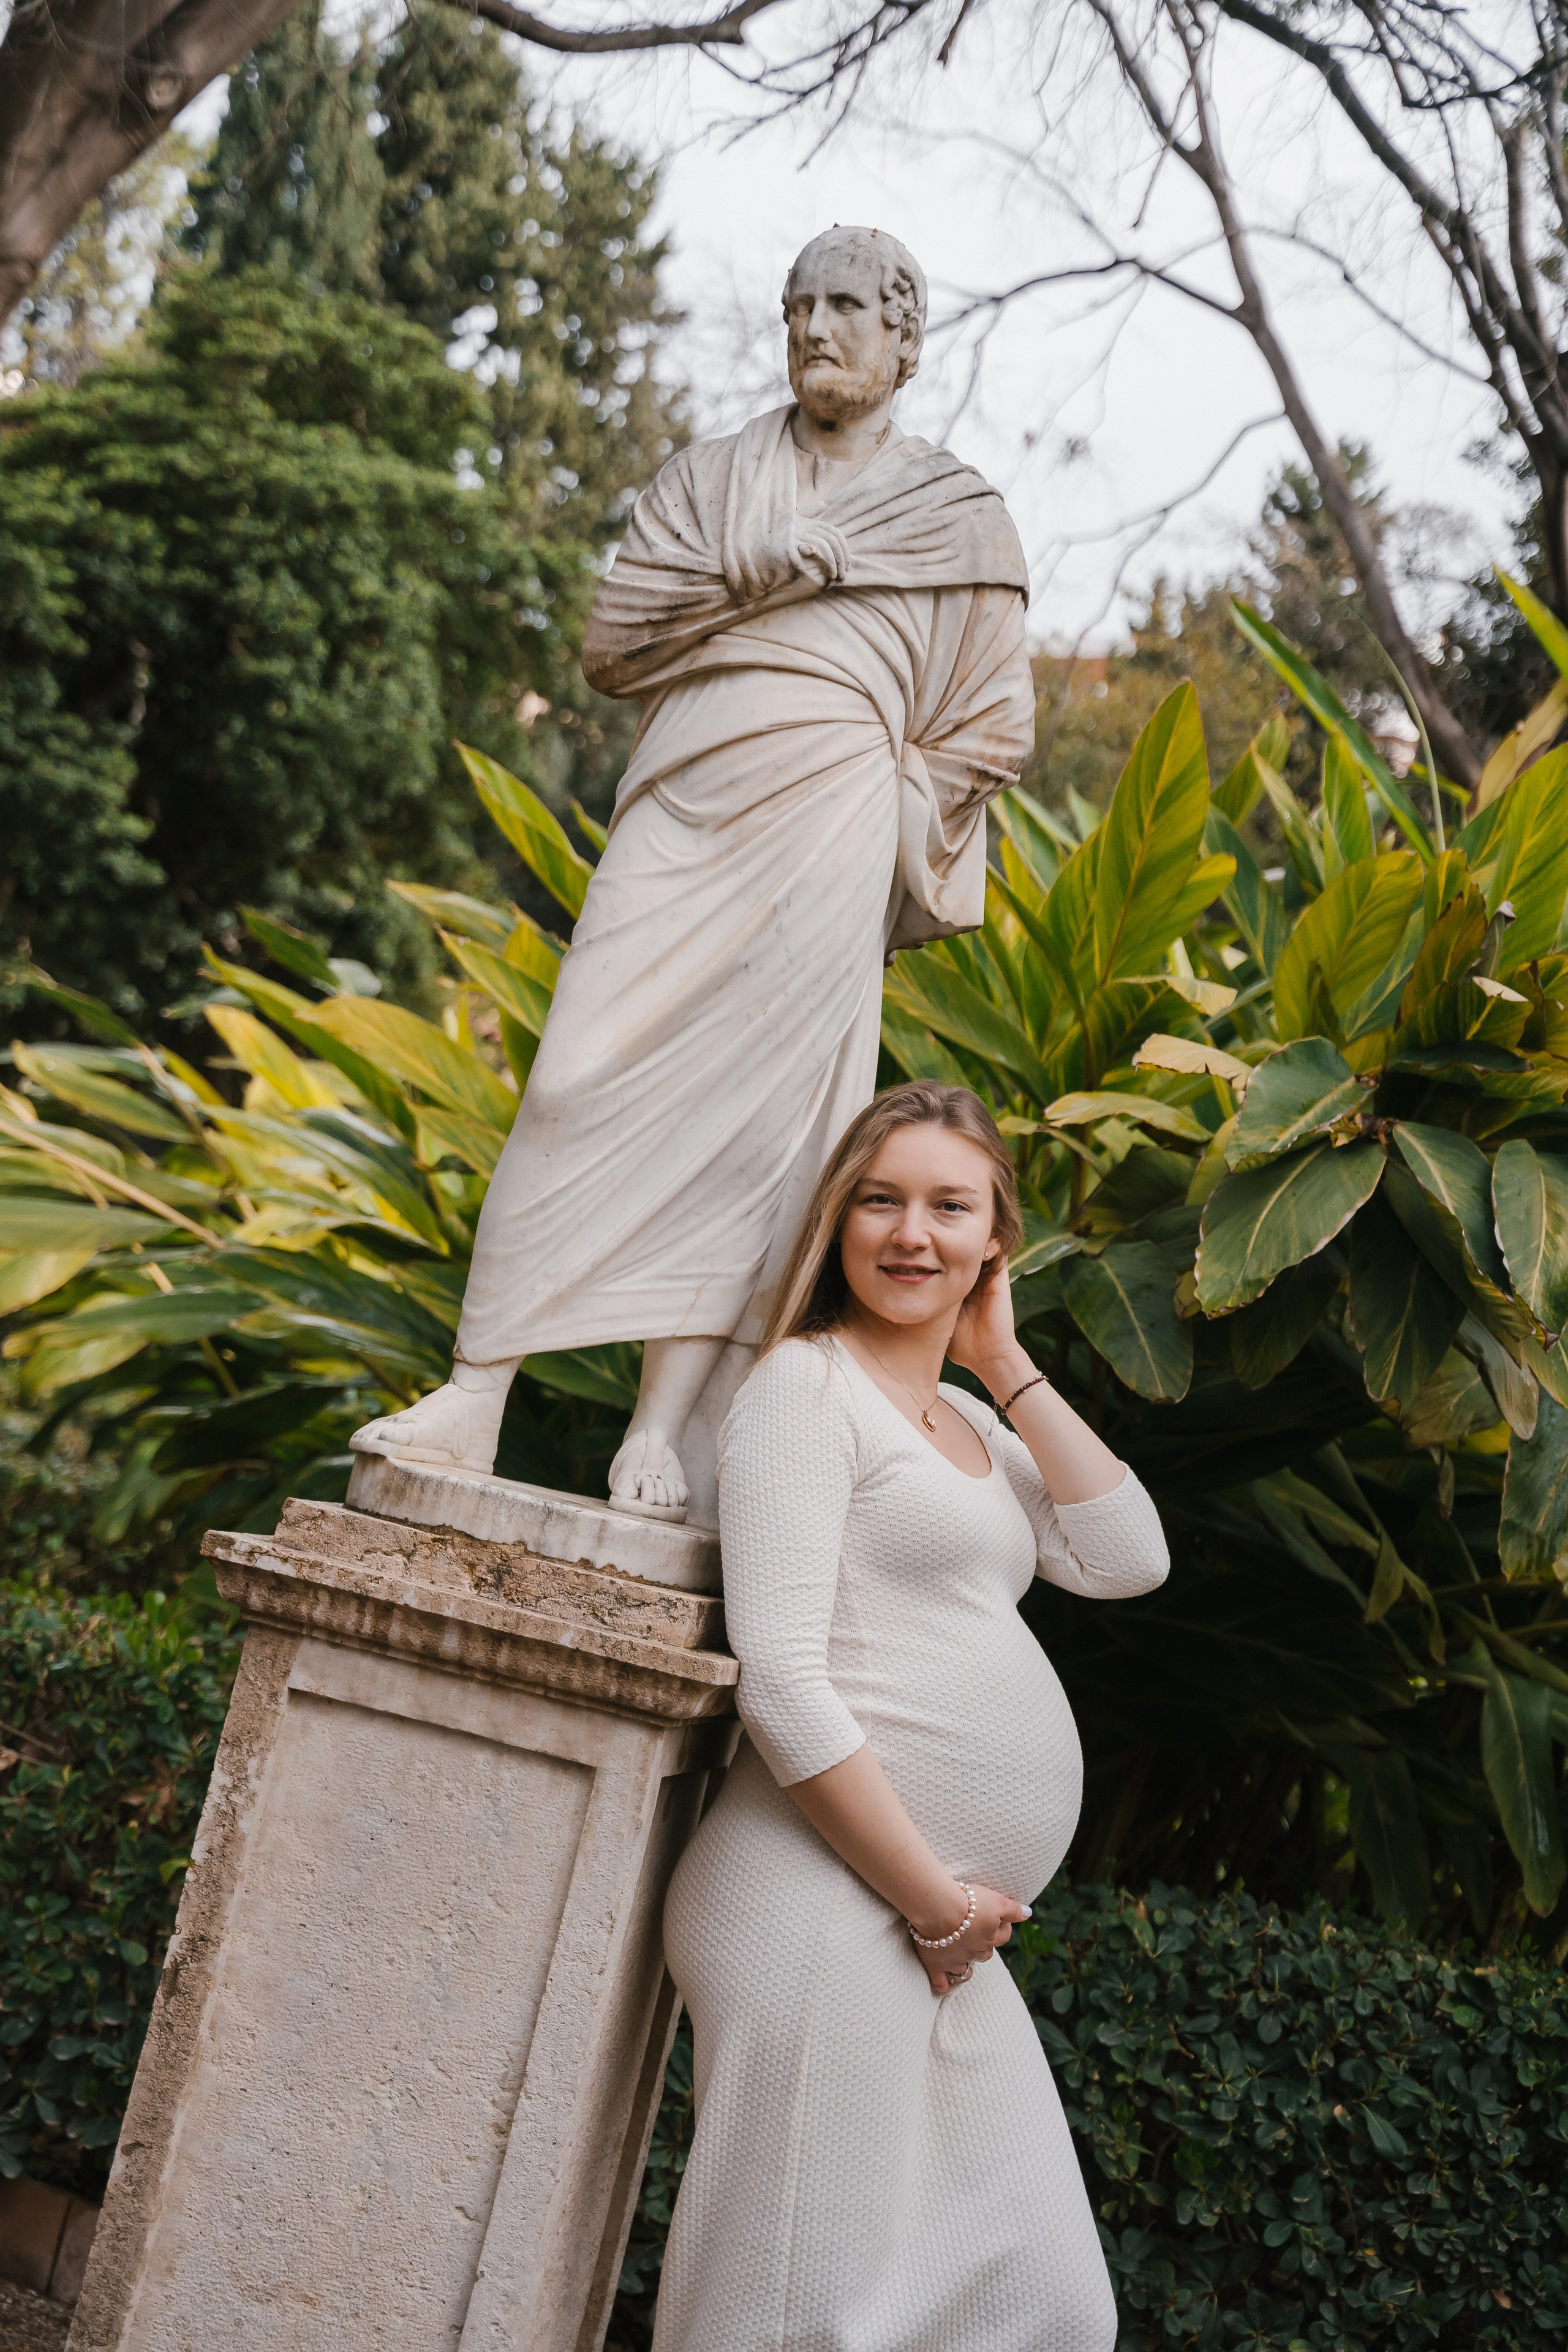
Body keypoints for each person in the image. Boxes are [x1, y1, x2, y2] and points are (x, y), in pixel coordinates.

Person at [350, 227, 1033, 1526]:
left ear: (902, 337)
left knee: (759, 1135)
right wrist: (749, 581)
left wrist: (881, 794)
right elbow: (613, 646)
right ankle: (474, 1389)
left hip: (833, 817)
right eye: (798, 306)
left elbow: (991, 729)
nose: (816, 329)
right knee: (572, 1073)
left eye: (845, 308)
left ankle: (662, 1430)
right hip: (685, 798)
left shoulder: (958, 518)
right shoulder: (713, 483)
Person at [653, 1080, 1170, 2352]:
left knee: (1038, 2295)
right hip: (823, 1898)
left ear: (997, 1241)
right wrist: (935, 1908)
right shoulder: (800, 1393)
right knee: (794, 2304)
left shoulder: (979, 1431)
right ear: (837, 1221)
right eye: (879, 1200)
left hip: (927, 1924)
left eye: (950, 1207)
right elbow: (777, 1677)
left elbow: (1126, 1556)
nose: (910, 1234)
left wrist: (1003, 1360)